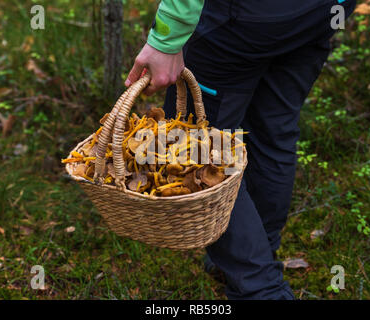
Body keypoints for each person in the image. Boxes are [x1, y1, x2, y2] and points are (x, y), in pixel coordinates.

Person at [125, 0, 356, 300]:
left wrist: (166, 37)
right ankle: (257, 251)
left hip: (245, 16)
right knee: (272, 130)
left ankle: (259, 286)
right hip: (320, 11)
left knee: (193, 146)